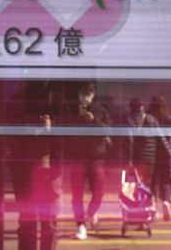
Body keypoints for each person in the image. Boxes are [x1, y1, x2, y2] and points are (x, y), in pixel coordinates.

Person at [9, 80, 63, 250]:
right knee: (29, 222)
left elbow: (68, 139)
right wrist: (28, 128)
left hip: (47, 171)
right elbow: (8, 135)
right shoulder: (17, 102)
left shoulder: (55, 102)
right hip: (26, 169)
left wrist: (51, 128)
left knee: (46, 222)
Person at [63, 83, 111, 240]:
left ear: (92, 96)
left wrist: (94, 120)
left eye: (87, 95)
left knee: (99, 192)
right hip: (77, 157)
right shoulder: (72, 111)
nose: (84, 99)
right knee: (77, 194)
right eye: (82, 96)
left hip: (96, 158)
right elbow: (67, 132)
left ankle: (90, 214)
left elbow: (108, 131)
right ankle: (81, 225)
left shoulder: (101, 111)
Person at [147, 96, 171, 222]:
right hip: (165, 153)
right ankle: (166, 201)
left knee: (151, 181)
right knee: (165, 179)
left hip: (150, 152)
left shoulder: (148, 119)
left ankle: (152, 207)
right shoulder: (170, 118)